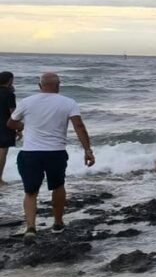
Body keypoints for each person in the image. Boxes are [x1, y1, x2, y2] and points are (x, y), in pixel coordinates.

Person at [6, 72, 95, 241]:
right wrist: (88, 150)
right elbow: (79, 127)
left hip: (30, 153)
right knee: (58, 186)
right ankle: (58, 222)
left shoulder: (27, 102)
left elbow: (10, 123)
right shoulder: (69, 103)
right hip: (56, 152)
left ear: (40, 86)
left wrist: (24, 125)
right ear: (58, 85)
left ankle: (31, 228)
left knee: (30, 192)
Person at [0, 72, 18, 184]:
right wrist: (18, 128)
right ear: (10, 80)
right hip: (5, 125)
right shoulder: (9, 94)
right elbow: (14, 113)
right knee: (2, 151)